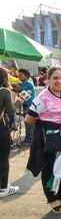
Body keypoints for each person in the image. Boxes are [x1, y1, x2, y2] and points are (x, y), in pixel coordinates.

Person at [25, 66, 61, 214]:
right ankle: (52, 199)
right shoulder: (42, 97)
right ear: (48, 79)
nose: (59, 81)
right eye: (55, 78)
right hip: (49, 137)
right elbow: (29, 119)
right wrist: (46, 130)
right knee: (50, 168)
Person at [0, 67, 20, 198]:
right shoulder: (4, 91)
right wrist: (20, 101)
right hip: (1, 128)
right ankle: (3, 188)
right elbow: (11, 111)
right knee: (3, 159)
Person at [11, 69, 36, 146]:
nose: (19, 75)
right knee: (28, 123)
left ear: (27, 76)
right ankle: (29, 139)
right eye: (19, 74)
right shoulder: (24, 83)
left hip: (29, 105)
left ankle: (29, 140)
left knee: (28, 123)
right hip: (26, 105)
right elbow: (16, 89)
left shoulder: (27, 83)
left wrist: (11, 85)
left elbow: (17, 89)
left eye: (21, 74)